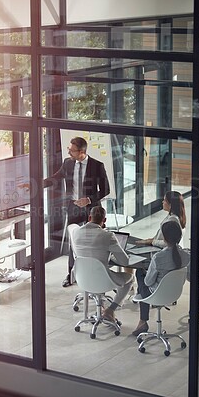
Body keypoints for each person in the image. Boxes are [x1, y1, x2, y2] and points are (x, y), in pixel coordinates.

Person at [44, 137, 110, 287]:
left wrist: (88, 199)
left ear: (82, 152)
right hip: (73, 207)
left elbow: (106, 189)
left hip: (91, 209)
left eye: (72, 150)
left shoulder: (97, 166)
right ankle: (71, 275)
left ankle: (97, 272)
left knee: (94, 242)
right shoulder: (68, 163)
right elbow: (55, 178)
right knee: (73, 242)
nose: (69, 152)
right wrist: (36, 183)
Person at [73, 206, 134, 322]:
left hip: (81, 277)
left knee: (100, 270)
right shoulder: (108, 236)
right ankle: (111, 310)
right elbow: (124, 262)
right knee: (130, 279)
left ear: (89, 217)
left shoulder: (76, 232)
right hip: (102, 279)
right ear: (105, 220)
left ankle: (102, 307)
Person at [132, 221, 190, 336]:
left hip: (156, 294)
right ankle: (142, 320)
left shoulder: (158, 257)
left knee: (140, 273)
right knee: (143, 280)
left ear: (164, 237)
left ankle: (143, 321)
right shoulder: (186, 255)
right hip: (174, 293)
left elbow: (148, 282)